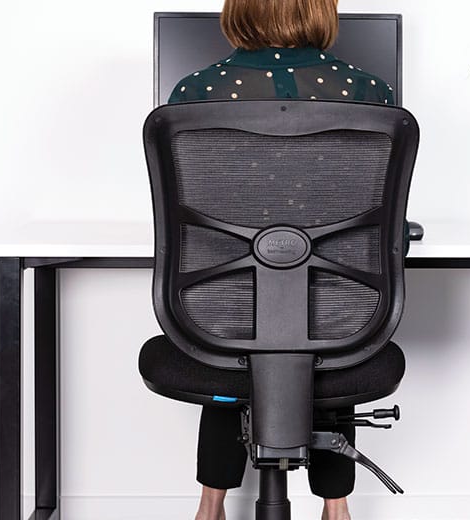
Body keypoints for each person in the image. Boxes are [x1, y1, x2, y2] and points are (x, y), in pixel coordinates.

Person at [168, 2, 397, 520]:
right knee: (329, 321)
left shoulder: (191, 97)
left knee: (229, 324)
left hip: (217, 319)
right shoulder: (371, 96)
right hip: (342, 319)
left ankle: (210, 506)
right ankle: (336, 507)